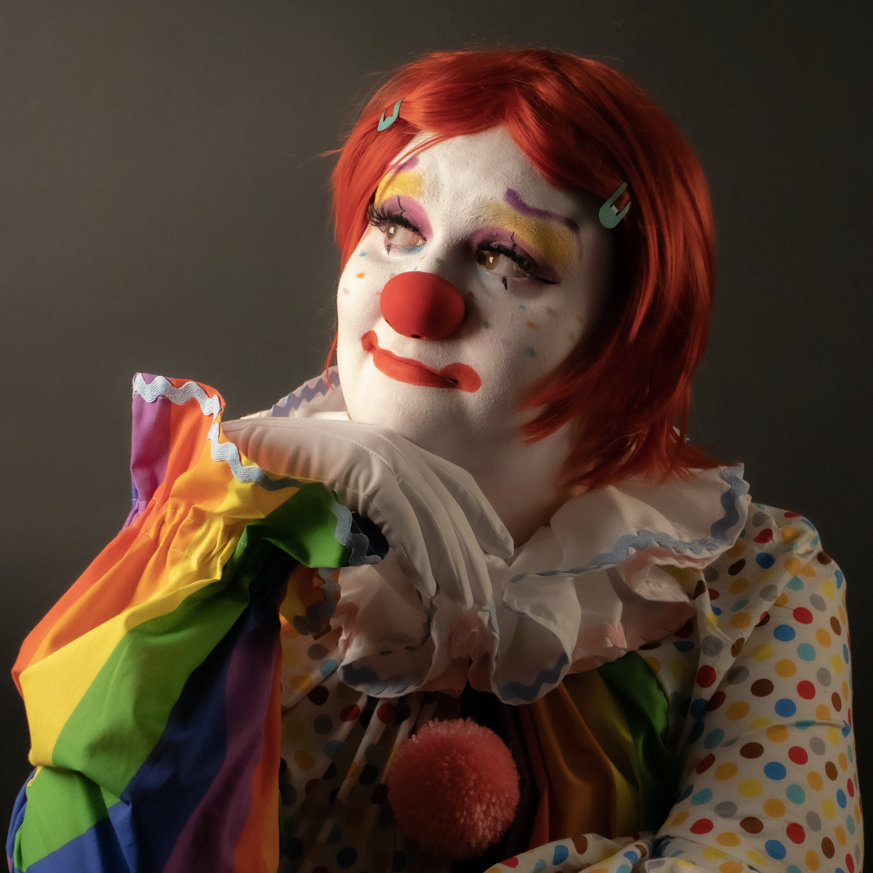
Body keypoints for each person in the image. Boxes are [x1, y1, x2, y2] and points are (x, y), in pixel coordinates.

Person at [7, 49, 861, 873]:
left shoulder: (756, 582)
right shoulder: (231, 542)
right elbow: (76, 855)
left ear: (625, 335)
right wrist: (224, 533)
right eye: (395, 226)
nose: (414, 297)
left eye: (506, 256)